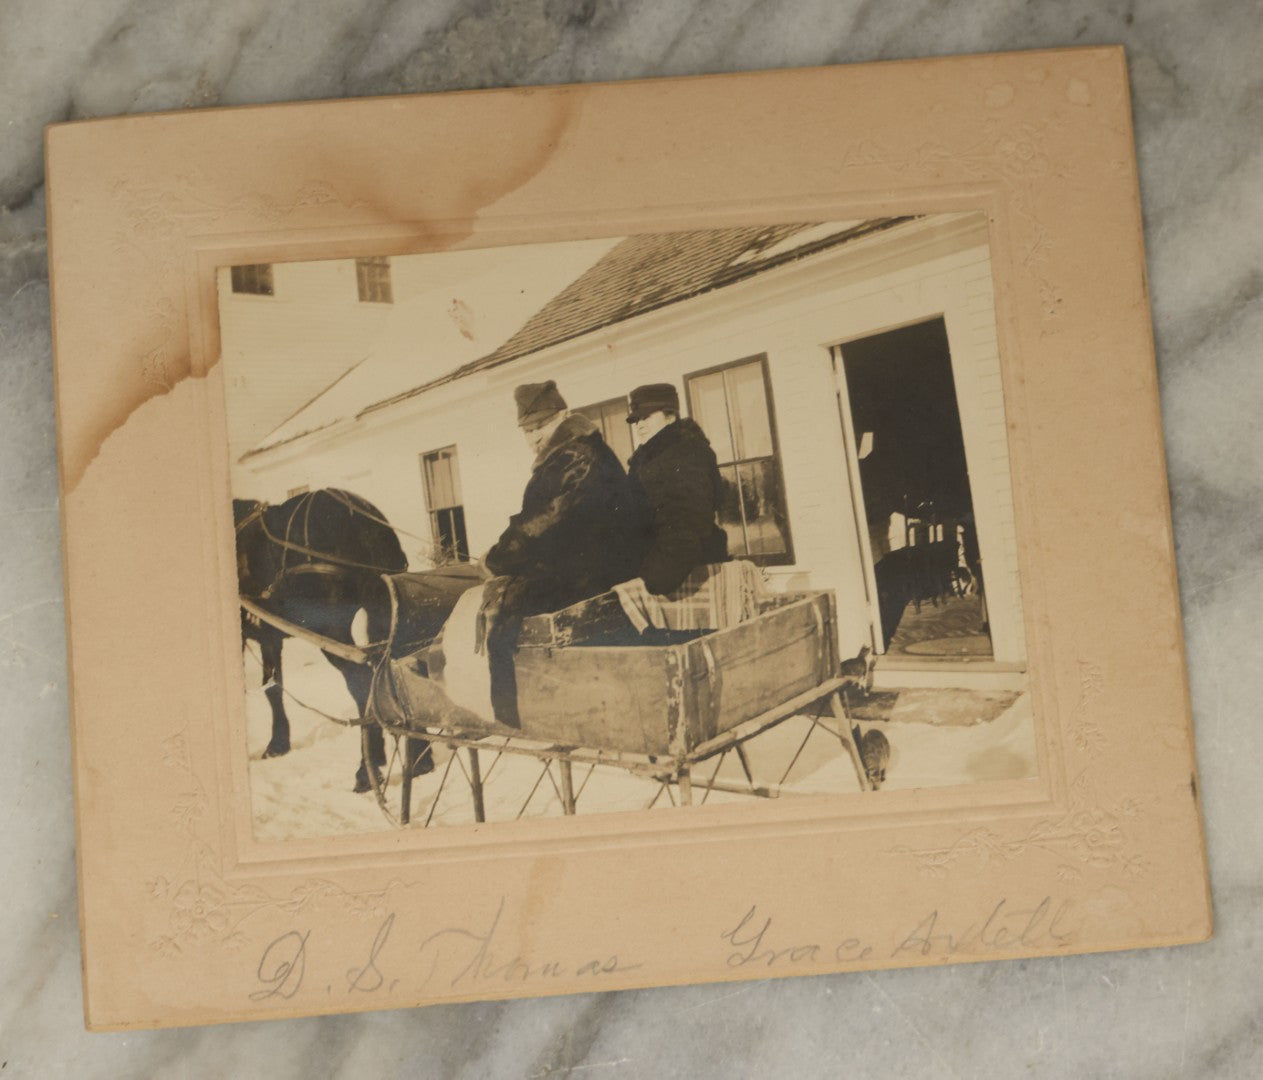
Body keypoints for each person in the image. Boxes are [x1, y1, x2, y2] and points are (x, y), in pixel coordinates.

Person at [479, 380, 645, 723]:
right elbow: (536, 522)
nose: (533, 437)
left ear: (563, 416)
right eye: (526, 430)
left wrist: (496, 559)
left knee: (502, 620)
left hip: (592, 574)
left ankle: (512, 719)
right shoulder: (572, 452)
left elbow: (545, 521)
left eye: (540, 426)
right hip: (590, 566)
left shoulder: (576, 456)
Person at [625, 382, 728, 595]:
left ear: (670, 416)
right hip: (658, 569)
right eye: (636, 420)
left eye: (647, 417)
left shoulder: (686, 455)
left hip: (684, 576)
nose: (639, 425)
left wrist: (653, 579)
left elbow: (688, 524)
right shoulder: (646, 458)